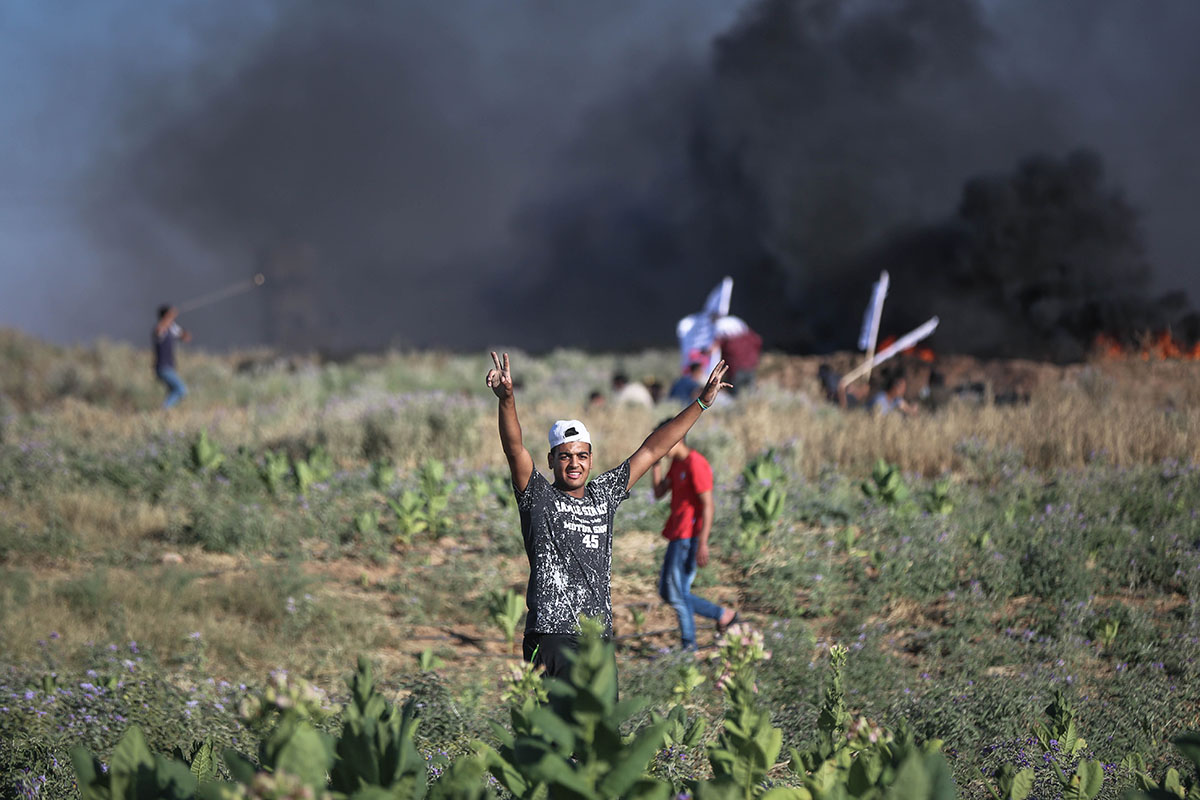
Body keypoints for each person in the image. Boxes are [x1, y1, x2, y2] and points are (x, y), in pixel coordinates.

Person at [486, 351, 731, 681]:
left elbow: (652, 449)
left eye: (582, 456)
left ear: (590, 459)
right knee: (563, 727)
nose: (574, 463)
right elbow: (514, 448)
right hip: (551, 633)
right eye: (565, 456)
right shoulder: (538, 497)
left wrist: (701, 403)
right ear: (551, 460)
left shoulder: (604, 493)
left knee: (602, 728)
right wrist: (507, 400)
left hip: (597, 635)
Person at [650, 423, 737, 650]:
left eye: (663, 441)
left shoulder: (695, 463)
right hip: (676, 534)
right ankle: (722, 614)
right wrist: (655, 464)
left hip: (688, 538)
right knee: (669, 592)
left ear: (676, 438)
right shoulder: (677, 464)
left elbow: (708, 505)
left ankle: (689, 647)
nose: (661, 446)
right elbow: (659, 492)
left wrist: (702, 543)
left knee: (677, 595)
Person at [153, 305, 191, 409]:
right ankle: (164, 409)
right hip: (163, 367)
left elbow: (186, 337)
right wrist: (169, 317)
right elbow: (159, 329)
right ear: (165, 316)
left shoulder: (172, 328)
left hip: (169, 367)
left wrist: (181, 331)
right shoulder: (160, 329)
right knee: (181, 389)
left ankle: (166, 413)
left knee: (172, 391)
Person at [714, 317, 762, 395]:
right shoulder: (748, 336)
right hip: (749, 367)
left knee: (738, 394)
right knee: (749, 392)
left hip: (737, 370)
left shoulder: (727, 340)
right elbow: (758, 342)